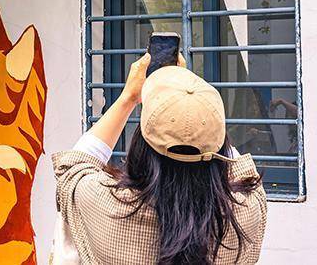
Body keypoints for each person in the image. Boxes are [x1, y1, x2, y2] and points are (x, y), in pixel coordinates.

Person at [52, 53, 267, 264]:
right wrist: (197, 110)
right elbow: (242, 171)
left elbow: (73, 166)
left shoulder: (107, 203)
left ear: (141, 147)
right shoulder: (245, 212)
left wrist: (129, 98)